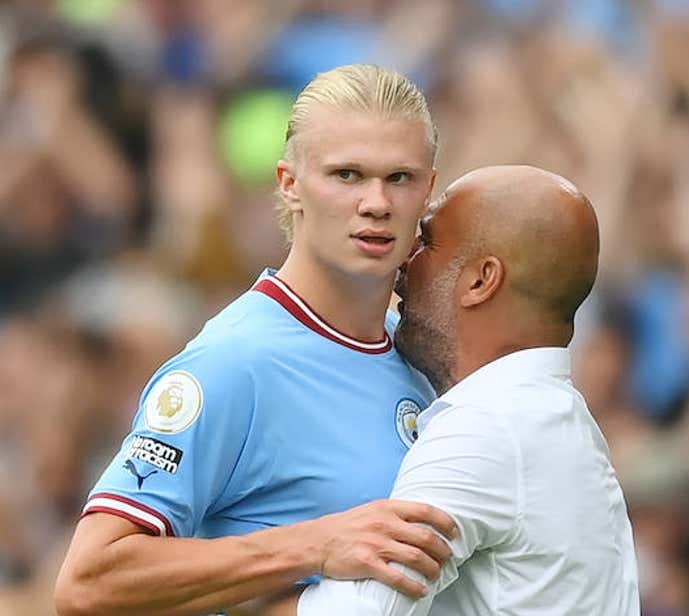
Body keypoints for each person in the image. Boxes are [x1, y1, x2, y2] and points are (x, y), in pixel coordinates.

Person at [53, 64, 457, 616]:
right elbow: (88, 582)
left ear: (428, 191)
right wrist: (313, 544)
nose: (376, 203)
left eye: (399, 178)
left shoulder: (423, 355)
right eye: (346, 175)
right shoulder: (234, 361)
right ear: (290, 184)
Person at [239, 165, 640, 615]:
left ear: (480, 281)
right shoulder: (547, 419)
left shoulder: (487, 429)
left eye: (427, 241)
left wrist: (215, 587)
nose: (403, 257)